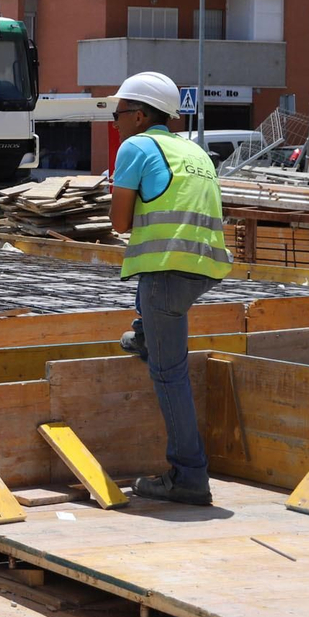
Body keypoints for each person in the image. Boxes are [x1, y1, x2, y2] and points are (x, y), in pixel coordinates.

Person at [108, 70, 231, 505]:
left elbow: (119, 223)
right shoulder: (193, 151)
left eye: (118, 112)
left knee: (168, 373)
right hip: (204, 268)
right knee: (152, 310)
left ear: (139, 116)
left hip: (167, 271)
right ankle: (145, 335)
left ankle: (188, 475)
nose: (114, 120)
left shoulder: (136, 146)